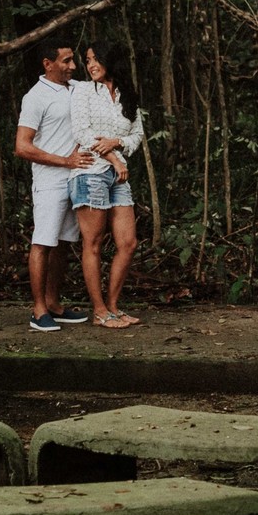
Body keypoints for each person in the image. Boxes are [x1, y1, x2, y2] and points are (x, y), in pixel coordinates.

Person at [14, 39, 95, 332]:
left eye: (73, 60)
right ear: (48, 65)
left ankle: (54, 304)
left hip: (76, 179)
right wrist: (65, 161)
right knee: (43, 242)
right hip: (50, 181)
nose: (73, 66)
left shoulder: (76, 88)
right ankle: (38, 311)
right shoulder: (35, 97)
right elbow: (22, 147)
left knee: (62, 244)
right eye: (65, 61)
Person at [68, 41, 143, 328]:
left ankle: (113, 306)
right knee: (94, 242)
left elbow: (136, 135)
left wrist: (118, 142)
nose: (91, 66)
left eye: (96, 59)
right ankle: (99, 311)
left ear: (112, 59)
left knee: (128, 242)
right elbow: (83, 132)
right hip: (90, 171)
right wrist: (114, 157)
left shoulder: (128, 94)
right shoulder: (84, 91)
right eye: (87, 61)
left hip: (117, 174)